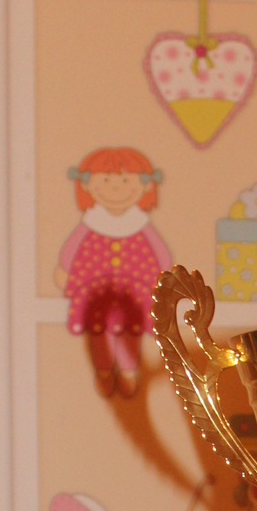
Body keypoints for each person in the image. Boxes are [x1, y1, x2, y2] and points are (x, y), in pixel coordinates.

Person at [54, 146, 172, 397]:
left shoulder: (140, 224)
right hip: (95, 289)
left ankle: (129, 370)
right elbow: (72, 249)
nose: (116, 188)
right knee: (99, 331)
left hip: (135, 289)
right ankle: (104, 369)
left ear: (145, 186)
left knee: (130, 331)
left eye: (126, 181)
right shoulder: (91, 223)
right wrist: (65, 270)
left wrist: (166, 277)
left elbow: (161, 253)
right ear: (87, 185)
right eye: (106, 180)